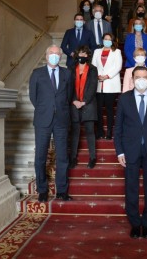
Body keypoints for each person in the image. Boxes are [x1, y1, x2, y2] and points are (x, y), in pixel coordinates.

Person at [114, 66, 147, 239]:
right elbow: (118, 128)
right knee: (131, 188)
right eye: (138, 77)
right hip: (130, 150)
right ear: (132, 79)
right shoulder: (124, 99)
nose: (141, 80)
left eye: (145, 77)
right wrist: (119, 151)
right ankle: (134, 223)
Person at [29, 45, 73, 202]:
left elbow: (68, 96)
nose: (54, 56)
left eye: (57, 54)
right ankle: (42, 190)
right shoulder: (37, 74)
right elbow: (33, 97)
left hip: (61, 119)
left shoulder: (67, 73)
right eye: (51, 53)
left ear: (61, 56)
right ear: (46, 56)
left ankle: (62, 190)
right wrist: (46, 109)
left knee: (62, 157)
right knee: (40, 156)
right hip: (43, 120)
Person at [69, 46, 98, 169]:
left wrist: (84, 101)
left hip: (89, 104)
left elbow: (92, 86)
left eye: (85, 54)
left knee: (90, 132)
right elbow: (68, 86)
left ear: (88, 56)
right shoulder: (70, 69)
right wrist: (74, 100)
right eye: (80, 53)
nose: (82, 56)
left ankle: (92, 158)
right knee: (75, 132)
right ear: (77, 55)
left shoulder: (92, 69)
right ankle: (73, 158)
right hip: (74, 104)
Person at [92, 33, 122, 140]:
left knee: (110, 109)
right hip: (98, 83)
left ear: (112, 41)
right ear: (102, 40)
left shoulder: (117, 52)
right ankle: (99, 131)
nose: (107, 41)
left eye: (109, 39)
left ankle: (109, 131)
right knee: (98, 109)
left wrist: (107, 76)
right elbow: (93, 65)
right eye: (105, 39)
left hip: (111, 84)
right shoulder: (97, 51)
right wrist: (97, 75)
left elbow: (118, 67)